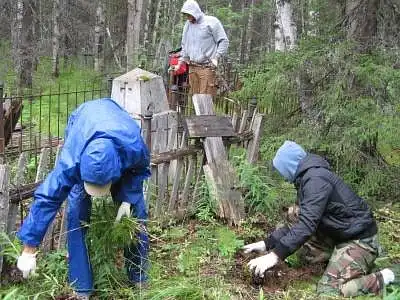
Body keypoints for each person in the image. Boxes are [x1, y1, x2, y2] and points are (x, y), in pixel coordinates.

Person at [16, 98, 151, 300]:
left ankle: (139, 276)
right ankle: (82, 287)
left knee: (136, 215)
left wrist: (128, 199)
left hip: (117, 132)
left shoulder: (133, 146)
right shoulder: (73, 159)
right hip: (83, 123)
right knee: (76, 212)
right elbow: (48, 198)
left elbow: (139, 169)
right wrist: (29, 248)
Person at [243, 141, 399, 297]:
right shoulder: (308, 178)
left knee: (329, 290)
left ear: (289, 166)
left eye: (281, 170)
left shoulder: (316, 180)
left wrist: (274, 256)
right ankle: (339, 261)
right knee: (296, 217)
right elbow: (298, 222)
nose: (283, 177)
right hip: (337, 233)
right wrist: (266, 244)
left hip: (359, 239)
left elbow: (306, 226)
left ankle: (387, 275)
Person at [174, 0, 229, 96]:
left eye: (189, 14)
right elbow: (185, 45)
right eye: (186, 15)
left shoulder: (212, 22)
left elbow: (223, 41)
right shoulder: (187, 25)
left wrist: (216, 57)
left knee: (206, 98)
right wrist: (180, 62)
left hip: (207, 67)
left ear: (195, 12)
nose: (188, 17)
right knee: (195, 99)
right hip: (192, 67)